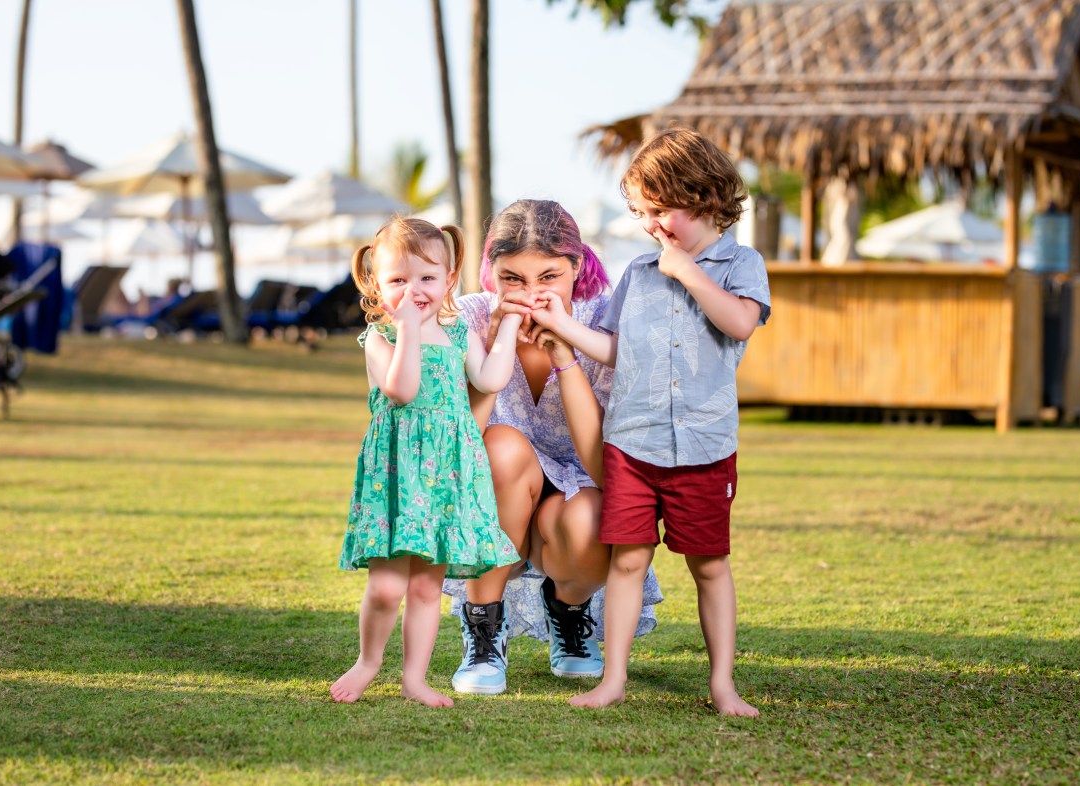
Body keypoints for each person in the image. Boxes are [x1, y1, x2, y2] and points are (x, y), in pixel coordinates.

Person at [533, 128, 770, 716]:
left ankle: (723, 685)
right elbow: (615, 349)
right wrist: (564, 326)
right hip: (632, 445)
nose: (651, 226)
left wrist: (688, 271)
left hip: (704, 449)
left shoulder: (742, 264)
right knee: (629, 561)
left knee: (709, 565)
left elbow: (739, 323)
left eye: (661, 211)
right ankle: (612, 679)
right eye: (642, 213)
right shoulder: (638, 272)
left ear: (705, 197)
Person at [444, 199, 663, 696]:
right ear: (490, 272)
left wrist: (564, 352)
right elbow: (459, 442)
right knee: (500, 448)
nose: (532, 294)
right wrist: (501, 338)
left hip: (574, 489)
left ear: (576, 268)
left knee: (591, 515)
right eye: (513, 278)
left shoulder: (601, 323)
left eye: (548, 277)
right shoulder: (469, 318)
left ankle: (568, 611)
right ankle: (484, 625)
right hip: (498, 486)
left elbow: (606, 470)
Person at [330, 217, 524, 707]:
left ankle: (415, 677)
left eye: (427, 279)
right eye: (398, 280)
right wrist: (409, 328)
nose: (414, 290)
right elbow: (402, 388)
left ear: (448, 280)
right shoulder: (380, 340)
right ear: (377, 285)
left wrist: (510, 324)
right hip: (398, 479)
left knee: (423, 591)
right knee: (385, 587)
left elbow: (492, 377)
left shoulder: (459, 336)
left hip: (445, 477)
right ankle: (368, 661)